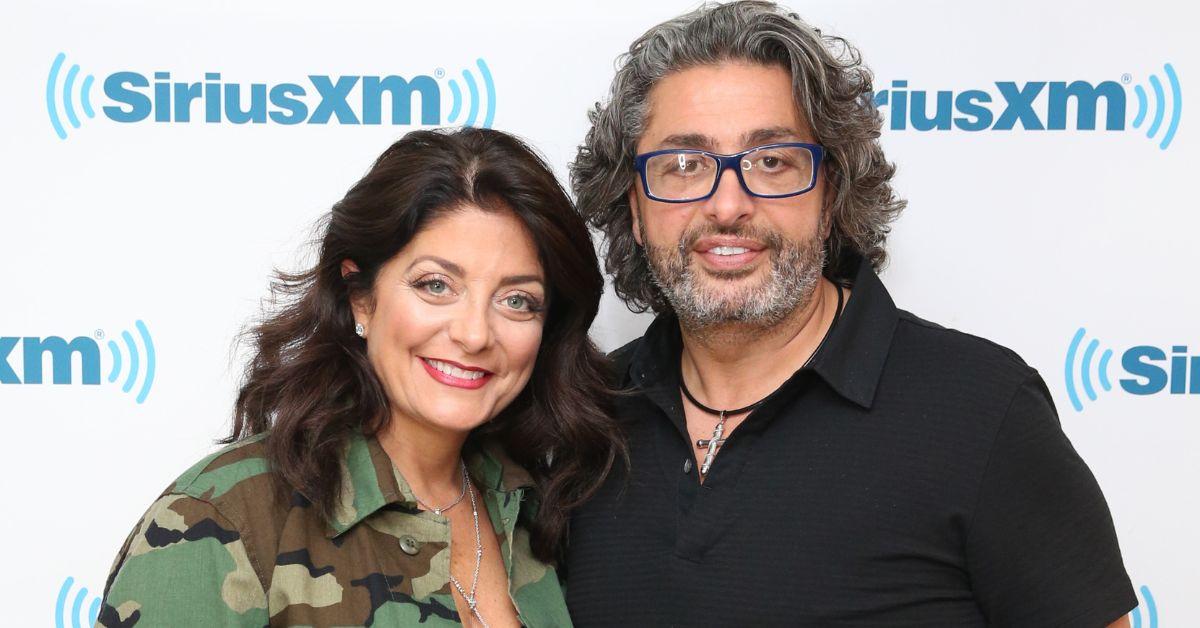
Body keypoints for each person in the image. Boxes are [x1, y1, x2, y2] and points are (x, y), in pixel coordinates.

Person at [563, 2, 1136, 626]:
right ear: (634, 207)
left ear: (831, 194)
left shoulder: (983, 410)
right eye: (683, 165)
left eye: (772, 162)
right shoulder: (580, 417)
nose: (728, 204)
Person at [99, 127, 622, 627]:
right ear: (361, 297)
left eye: (516, 300)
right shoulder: (222, 521)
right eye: (436, 285)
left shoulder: (540, 511)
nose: (475, 334)